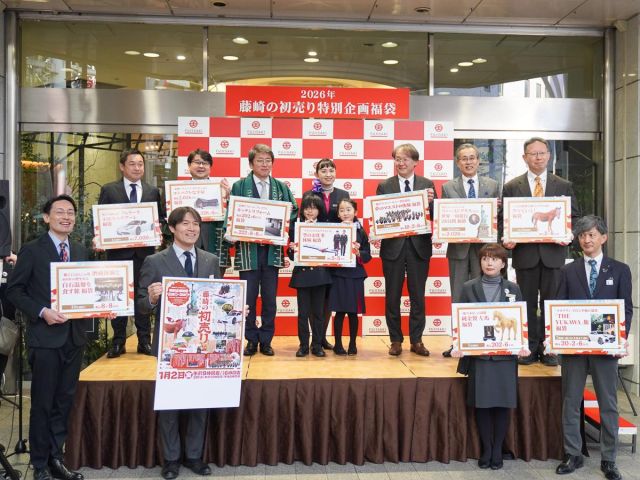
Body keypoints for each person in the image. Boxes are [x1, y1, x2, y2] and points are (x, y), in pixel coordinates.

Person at [6, 195, 89, 480]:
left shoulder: (80, 250)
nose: (66, 217)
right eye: (60, 212)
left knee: (64, 401)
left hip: (74, 338)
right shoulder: (32, 250)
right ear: (46, 218)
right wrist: (42, 312)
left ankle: (56, 459)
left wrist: (104, 306)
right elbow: (14, 291)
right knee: (43, 402)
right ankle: (39, 463)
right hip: (45, 338)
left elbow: (88, 291)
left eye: (71, 212)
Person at [137, 207, 219, 480]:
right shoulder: (154, 261)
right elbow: (140, 306)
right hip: (170, 343)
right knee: (169, 404)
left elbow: (216, 299)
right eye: (185, 224)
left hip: (202, 342)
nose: (191, 229)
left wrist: (232, 310)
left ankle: (194, 456)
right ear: (172, 228)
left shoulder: (210, 260)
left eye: (195, 224)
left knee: (200, 402)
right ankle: (171, 459)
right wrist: (151, 298)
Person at [554, 215, 632, 480]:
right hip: (574, 347)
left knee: (608, 403)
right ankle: (572, 454)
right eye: (582, 235)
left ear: (603, 238)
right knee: (570, 400)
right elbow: (559, 307)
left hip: (606, 347)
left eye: (591, 235)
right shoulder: (567, 271)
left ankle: (609, 459)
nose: (586, 240)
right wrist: (555, 337)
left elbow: (626, 308)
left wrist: (621, 338)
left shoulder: (620, 270)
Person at [501, 137, 580, 366]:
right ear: (524, 157)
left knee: (551, 303)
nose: (538, 158)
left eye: (542, 153)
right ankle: (527, 347)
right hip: (525, 255)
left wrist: (569, 234)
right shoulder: (511, 186)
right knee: (526, 303)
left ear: (549, 155)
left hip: (553, 254)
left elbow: (575, 216)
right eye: (533, 154)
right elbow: (503, 219)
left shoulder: (563, 185)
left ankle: (549, 348)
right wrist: (507, 239)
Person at [453, 243, 528, 471]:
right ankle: (486, 449)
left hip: (505, 358)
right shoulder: (468, 287)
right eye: (485, 258)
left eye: (494, 259)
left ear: (503, 263)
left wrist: (523, 345)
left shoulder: (513, 289)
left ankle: (497, 450)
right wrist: (459, 344)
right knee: (483, 405)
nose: (489, 263)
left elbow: (521, 321)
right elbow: (461, 320)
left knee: (502, 405)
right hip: (480, 358)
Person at [223, 144, 298, 357]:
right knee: (247, 299)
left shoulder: (280, 187)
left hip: (272, 251)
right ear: (251, 163)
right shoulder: (240, 186)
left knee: (269, 299)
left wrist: (278, 221)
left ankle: (266, 340)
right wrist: (232, 231)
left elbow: (293, 211)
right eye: (260, 160)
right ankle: (250, 339)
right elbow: (231, 213)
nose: (265, 165)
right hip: (248, 251)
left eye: (268, 161)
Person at [98, 148, 165, 358]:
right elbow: (101, 220)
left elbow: (160, 218)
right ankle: (118, 341)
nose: (137, 168)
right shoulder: (110, 190)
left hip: (145, 255)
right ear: (122, 166)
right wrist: (99, 237)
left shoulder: (152, 191)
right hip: (118, 255)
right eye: (132, 164)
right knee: (118, 297)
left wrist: (159, 232)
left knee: (143, 296)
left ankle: (144, 340)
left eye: (140, 164)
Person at [376, 143, 435, 357]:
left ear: (415, 162)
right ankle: (395, 340)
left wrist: (432, 202)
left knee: (418, 296)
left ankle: (416, 340)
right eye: (397, 159)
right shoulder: (385, 185)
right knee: (392, 296)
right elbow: (380, 217)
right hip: (393, 248)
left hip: (419, 247)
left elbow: (435, 215)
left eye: (405, 159)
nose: (400, 163)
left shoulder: (427, 184)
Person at [442, 143, 500, 357]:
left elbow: (498, 217)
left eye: (472, 158)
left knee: (483, 294)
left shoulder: (493, 185)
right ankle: (457, 342)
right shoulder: (448, 187)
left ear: (478, 160)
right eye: (464, 159)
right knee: (457, 296)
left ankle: (482, 340)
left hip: (484, 250)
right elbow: (445, 217)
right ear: (458, 163)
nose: (468, 162)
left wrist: (497, 210)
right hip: (458, 249)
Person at [305, 158, 351, 350]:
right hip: (315, 253)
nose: (328, 174)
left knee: (327, 299)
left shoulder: (343, 194)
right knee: (315, 297)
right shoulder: (309, 194)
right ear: (317, 174)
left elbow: (348, 217)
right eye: (323, 171)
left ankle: (321, 337)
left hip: (334, 253)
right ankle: (314, 339)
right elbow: (303, 220)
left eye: (331, 170)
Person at [287, 194, 332, 357]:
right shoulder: (296, 227)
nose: (310, 211)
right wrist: (292, 249)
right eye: (307, 208)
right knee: (303, 314)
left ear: (319, 210)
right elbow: (292, 256)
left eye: (313, 208)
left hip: (321, 275)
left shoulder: (327, 227)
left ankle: (317, 345)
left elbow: (331, 252)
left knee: (319, 313)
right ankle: (303, 346)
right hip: (302, 275)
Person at [329, 198, 371, 356]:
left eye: (348, 209)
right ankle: (338, 344)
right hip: (338, 275)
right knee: (339, 312)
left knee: (354, 312)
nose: (345, 213)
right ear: (338, 214)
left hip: (355, 276)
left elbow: (368, 255)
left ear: (355, 212)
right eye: (342, 210)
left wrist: (359, 252)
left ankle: (353, 343)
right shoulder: (331, 230)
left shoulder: (361, 231)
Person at [186, 148, 231, 278]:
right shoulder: (177, 190)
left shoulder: (222, 189)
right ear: (189, 165)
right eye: (197, 162)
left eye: (205, 163)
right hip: (186, 245)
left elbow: (232, 217)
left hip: (216, 244)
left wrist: (228, 197)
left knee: (214, 286)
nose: (201, 166)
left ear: (210, 167)